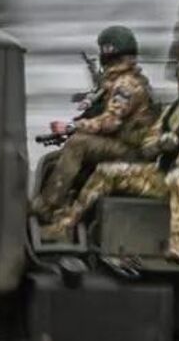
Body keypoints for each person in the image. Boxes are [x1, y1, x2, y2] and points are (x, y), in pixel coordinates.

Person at [43, 56, 179, 263]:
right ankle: (65, 224)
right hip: (164, 176)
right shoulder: (172, 113)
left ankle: (178, 243)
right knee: (107, 171)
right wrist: (161, 144)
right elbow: (146, 146)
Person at [31, 25, 156, 221]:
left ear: (108, 51)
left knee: (77, 144)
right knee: (54, 159)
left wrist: (72, 127)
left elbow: (111, 121)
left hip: (132, 150)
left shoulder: (127, 84)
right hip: (125, 144)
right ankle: (62, 202)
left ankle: (47, 207)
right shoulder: (121, 80)